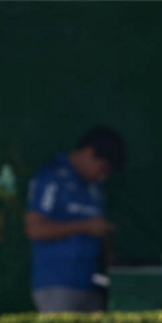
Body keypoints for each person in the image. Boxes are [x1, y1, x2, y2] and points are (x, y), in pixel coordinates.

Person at [25, 127, 124, 312]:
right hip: (56, 284)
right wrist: (85, 226)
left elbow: (99, 227)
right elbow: (34, 228)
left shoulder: (94, 187)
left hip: (93, 283)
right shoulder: (51, 177)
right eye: (102, 168)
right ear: (88, 152)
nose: (102, 177)